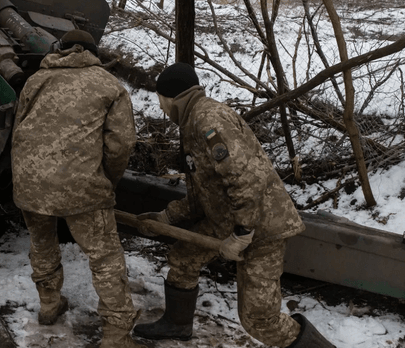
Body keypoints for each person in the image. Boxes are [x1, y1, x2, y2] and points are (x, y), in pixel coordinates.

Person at [133, 62, 336, 347]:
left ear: (170, 98)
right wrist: (166, 217)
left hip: (262, 227)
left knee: (259, 319)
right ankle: (176, 324)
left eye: (160, 101)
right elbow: (204, 193)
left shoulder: (208, 121)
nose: (161, 108)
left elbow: (243, 179)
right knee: (184, 257)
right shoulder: (193, 121)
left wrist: (242, 235)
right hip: (230, 220)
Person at [11, 29, 147, 348]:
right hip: (81, 186)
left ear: (61, 50)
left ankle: (49, 305)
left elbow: (19, 129)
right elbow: (122, 143)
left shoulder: (35, 81)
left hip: (30, 183)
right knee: (105, 256)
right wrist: (106, 182)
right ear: (93, 53)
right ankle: (116, 334)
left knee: (42, 242)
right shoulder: (109, 86)